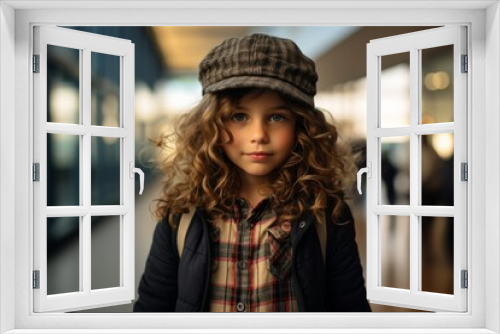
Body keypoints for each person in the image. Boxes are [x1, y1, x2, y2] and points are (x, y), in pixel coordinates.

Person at [134, 33, 371, 312]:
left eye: (276, 117)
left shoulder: (327, 213)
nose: (258, 135)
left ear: (302, 127)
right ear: (211, 124)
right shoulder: (182, 213)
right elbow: (152, 310)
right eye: (239, 116)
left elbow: (350, 313)